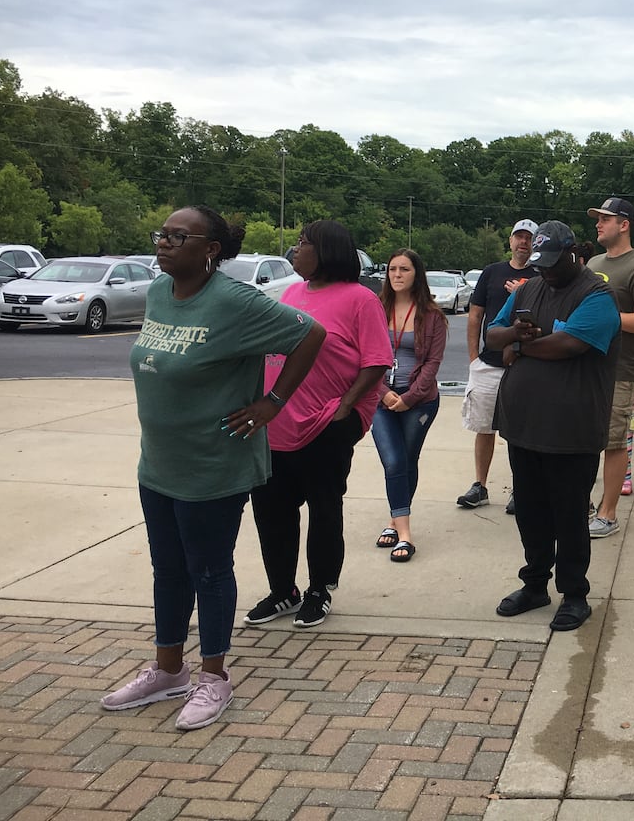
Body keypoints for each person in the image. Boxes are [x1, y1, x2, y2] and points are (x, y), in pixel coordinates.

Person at [103, 206, 325, 731]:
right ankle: (167, 669)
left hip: (213, 463)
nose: (164, 243)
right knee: (168, 569)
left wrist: (272, 402)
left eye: (179, 237)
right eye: (163, 234)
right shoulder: (159, 293)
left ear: (210, 250)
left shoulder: (233, 301)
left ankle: (213, 677)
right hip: (159, 461)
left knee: (209, 571)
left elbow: (309, 335)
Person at [245, 220, 392, 630]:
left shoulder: (361, 300)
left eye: (303, 243)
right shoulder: (291, 293)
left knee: (324, 510)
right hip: (276, 423)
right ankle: (283, 592)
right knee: (271, 512)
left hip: (326, 423)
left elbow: (377, 360)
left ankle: (318, 591)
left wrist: (345, 407)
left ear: (326, 250)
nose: (296, 250)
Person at [487, 220, 621, 631]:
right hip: (523, 423)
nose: (542, 270)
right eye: (537, 263)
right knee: (530, 510)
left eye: (550, 262)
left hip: (571, 427)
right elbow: (493, 336)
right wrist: (511, 335)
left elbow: (569, 345)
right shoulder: (528, 288)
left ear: (572, 254)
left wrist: (519, 346)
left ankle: (575, 593)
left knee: (569, 513)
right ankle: (535, 584)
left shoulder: (598, 296)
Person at [586, 198, 634, 540]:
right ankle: (583, 505)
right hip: (585, 365)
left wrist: (608, 319)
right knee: (584, 439)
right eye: (598, 219)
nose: (599, 224)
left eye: (605, 219)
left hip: (619, 369)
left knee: (614, 441)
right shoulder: (592, 263)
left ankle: (608, 513)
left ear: (624, 224)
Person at [371, 249, 448, 563]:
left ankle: (395, 521)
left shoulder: (433, 315)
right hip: (380, 399)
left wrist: (408, 398)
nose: (397, 275)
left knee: (407, 460)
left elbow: (433, 363)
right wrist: (384, 393)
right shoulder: (375, 309)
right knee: (393, 461)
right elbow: (363, 357)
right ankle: (405, 534)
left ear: (417, 274)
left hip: (419, 401)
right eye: (392, 270)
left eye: (404, 269)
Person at [458, 219, 539, 513]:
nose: (523, 243)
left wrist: (524, 289)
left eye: (529, 238)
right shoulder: (492, 273)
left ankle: (522, 489)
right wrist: (472, 357)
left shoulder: (542, 276)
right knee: (484, 427)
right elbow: (475, 315)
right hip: (488, 363)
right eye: (519, 236)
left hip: (525, 363)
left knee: (522, 430)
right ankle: (480, 485)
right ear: (510, 240)